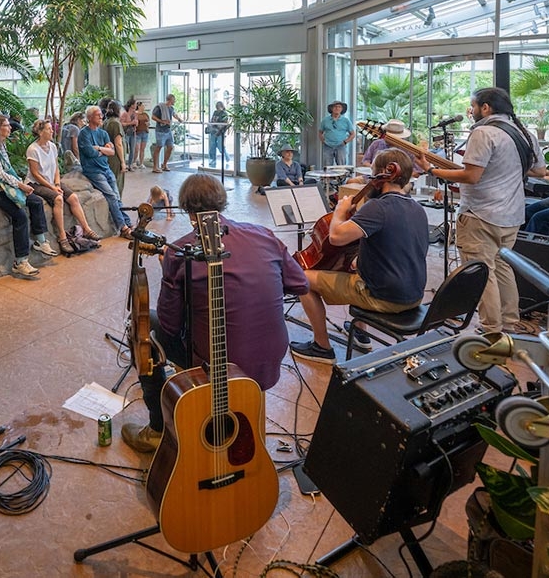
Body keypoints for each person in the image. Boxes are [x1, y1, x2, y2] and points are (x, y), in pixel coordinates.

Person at [121, 173, 309, 452]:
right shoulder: (264, 235)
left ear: (186, 210)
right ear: (222, 203)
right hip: (269, 359)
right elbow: (300, 283)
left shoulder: (181, 251)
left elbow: (171, 325)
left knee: (143, 326)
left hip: (220, 364)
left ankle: (157, 429)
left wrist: (169, 270)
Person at [416, 87, 545, 335]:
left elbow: (471, 176)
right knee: (503, 268)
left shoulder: (483, 132)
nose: (471, 111)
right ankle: (509, 323)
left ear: (486, 107)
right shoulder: (525, 133)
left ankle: (491, 329)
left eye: (473, 106)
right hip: (512, 214)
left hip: (481, 214)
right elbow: (539, 171)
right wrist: (505, 170)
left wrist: (431, 170)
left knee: (482, 272)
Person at [291, 149, 430, 362]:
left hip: (385, 298)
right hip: (414, 294)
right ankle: (361, 334)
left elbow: (336, 236)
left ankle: (321, 347)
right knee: (353, 264)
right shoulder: (417, 208)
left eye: (373, 171)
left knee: (302, 278)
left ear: (384, 173)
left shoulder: (377, 207)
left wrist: (340, 210)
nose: (370, 178)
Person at [0, 114, 55, 278]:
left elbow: (7, 169)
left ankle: (41, 241)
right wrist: (20, 185)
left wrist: (21, 185)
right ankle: (21, 261)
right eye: (6, 125)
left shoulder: (1, 144)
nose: (10, 127)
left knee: (35, 202)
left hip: (5, 186)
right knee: (20, 216)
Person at [25, 118, 100, 247]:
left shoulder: (53, 146)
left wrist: (58, 184)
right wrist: (53, 188)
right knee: (58, 199)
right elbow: (35, 174)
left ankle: (86, 229)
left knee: (73, 197)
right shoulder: (33, 149)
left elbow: (56, 168)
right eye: (49, 129)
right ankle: (62, 236)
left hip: (51, 182)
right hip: (36, 184)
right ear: (40, 132)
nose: (52, 131)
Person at [79, 105, 133, 239]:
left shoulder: (103, 133)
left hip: (106, 169)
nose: (101, 117)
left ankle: (127, 223)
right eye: (98, 115)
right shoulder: (84, 133)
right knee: (111, 195)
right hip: (93, 171)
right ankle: (124, 227)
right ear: (90, 117)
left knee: (116, 195)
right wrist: (104, 150)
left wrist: (98, 148)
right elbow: (89, 152)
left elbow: (112, 151)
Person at [151, 94, 182, 173]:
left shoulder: (171, 108)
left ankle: (164, 164)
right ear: (170, 99)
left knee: (170, 147)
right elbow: (153, 117)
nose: (174, 101)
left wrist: (179, 119)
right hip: (160, 130)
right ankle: (155, 167)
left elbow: (174, 114)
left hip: (168, 130)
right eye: (174, 99)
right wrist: (162, 121)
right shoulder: (159, 107)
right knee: (159, 147)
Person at [319, 100, 355, 166]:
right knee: (327, 166)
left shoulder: (346, 121)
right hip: (328, 146)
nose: (337, 108)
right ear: (331, 108)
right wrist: (323, 140)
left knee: (341, 166)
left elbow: (352, 134)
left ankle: (342, 177)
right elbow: (320, 132)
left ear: (341, 109)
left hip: (341, 146)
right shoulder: (325, 120)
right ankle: (328, 176)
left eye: (339, 107)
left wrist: (345, 142)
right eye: (335, 107)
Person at [103, 100, 127, 194]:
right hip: (115, 158)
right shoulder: (116, 123)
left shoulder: (106, 122)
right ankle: (117, 205)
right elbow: (118, 143)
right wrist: (122, 162)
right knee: (117, 183)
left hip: (108, 156)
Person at [206, 101, 229, 166]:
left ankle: (226, 156)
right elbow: (212, 120)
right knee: (212, 145)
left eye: (219, 106)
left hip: (220, 132)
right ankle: (213, 159)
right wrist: (210, 126)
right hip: (213, 131)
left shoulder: (224, 113)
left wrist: (219, 130)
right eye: (217, 106)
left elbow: (225, 124)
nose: (218, 107)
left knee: (220, 146)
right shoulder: (215, 112)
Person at [120, 100, 138, 170]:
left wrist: (136, 123)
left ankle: (130, 164)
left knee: (132, 149)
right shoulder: (125, 113)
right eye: (135, 104)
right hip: (126, 133)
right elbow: (121, 123)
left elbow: (136, 123)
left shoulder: (135, 114)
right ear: (131, 105)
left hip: (133, 133)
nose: (136, 105)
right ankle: (123, 164)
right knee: (124, 149)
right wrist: (130, 123)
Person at [133, 101, 150, 170]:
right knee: (137, 149)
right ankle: (134, 162)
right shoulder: (135, 114)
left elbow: (148, 122)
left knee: (142, 149)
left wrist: (148, 124)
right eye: (142, 106)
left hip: (145, 132)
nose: (143, 107)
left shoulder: (145, 114)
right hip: (137, 133)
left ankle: (141, 163)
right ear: (139, 107)